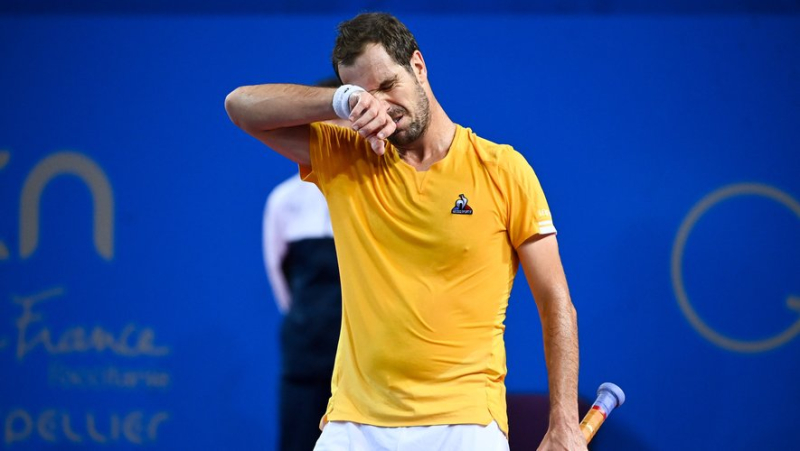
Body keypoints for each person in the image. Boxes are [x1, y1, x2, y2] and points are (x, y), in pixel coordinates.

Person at [226, 12, 585, 450]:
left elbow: (555, 301)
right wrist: (339, 103)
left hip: (465, 423)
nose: (382, 105)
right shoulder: (345, 155)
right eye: (363, 95)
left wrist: (564, 422)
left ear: (418, 66)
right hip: (354, 423)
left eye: (387, 85)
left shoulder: (503, 170)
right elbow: (240, 106)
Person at [263, 77, 347, 451]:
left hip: (363, 362)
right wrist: (310, 320)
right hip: (306, 355)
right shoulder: (284, 200)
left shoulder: (378, 192)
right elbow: (280, 280)